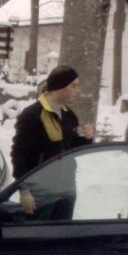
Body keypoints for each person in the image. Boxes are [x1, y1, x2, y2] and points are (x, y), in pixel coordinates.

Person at [10, 65, 95, 219]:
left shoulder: (69, 115)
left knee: (60, 237)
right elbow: (19, 154)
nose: (78, 90)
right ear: (59, 87)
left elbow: (71, 148)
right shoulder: (32, 115)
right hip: (41, 192)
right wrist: (23, 189)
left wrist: (87, 138)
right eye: (74, 86)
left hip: (67, 190)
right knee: (39, 238)